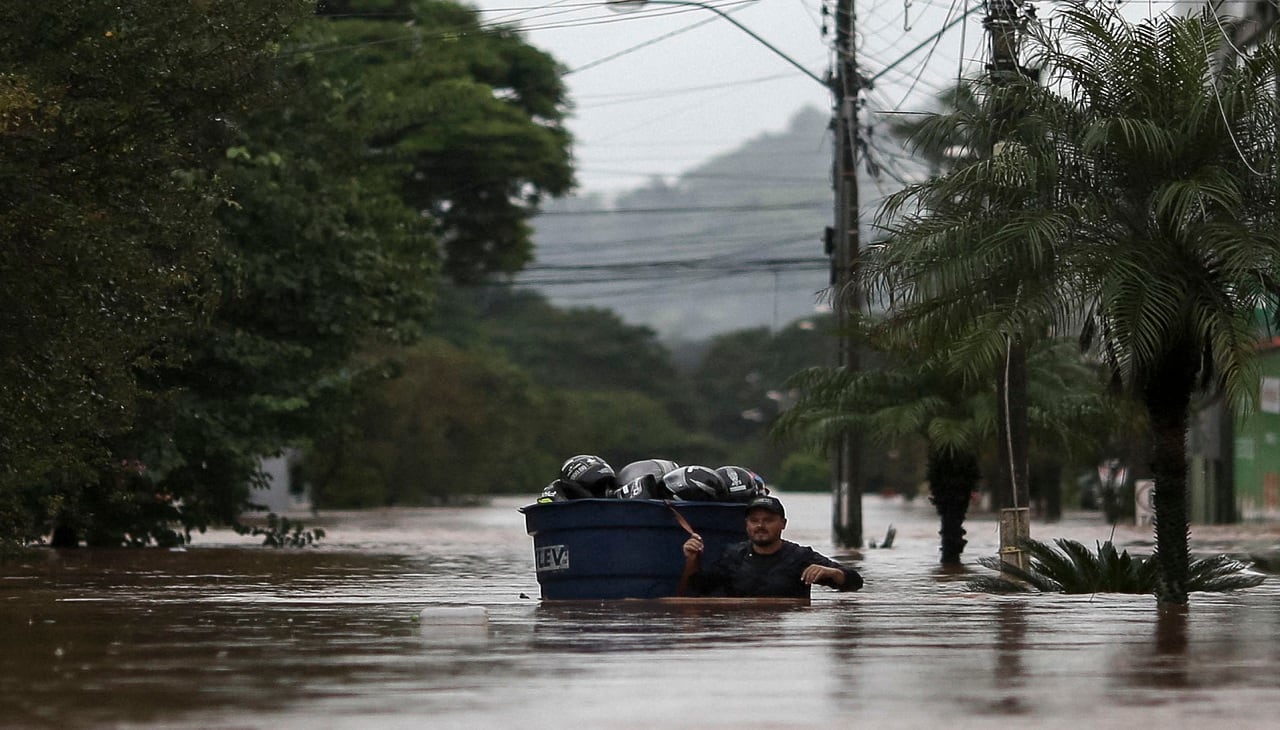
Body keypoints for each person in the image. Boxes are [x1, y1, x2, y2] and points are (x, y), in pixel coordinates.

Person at [681, 495, 863, 598]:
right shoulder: (733, 555)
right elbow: (697, 589)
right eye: (754, 521)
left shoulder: (800, 556)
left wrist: (831, 573)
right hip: (744, 631)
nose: (760, 526)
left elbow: (855, 583)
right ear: (747, 525)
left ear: (783, 524)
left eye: (768, 520)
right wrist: (692, 559)